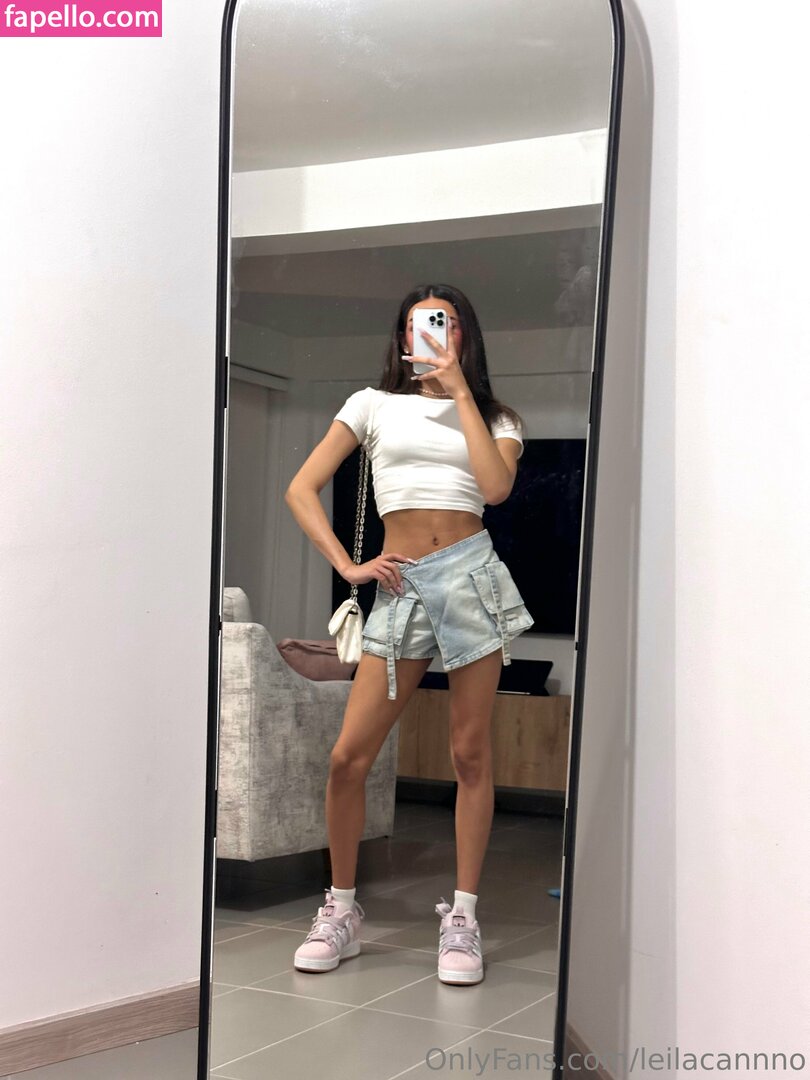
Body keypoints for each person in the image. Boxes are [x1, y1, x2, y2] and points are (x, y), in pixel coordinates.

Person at [283, 283, 534, 986]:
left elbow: (495, 490)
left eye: (445, 324)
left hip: (471, 577)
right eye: (420, 325)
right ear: (402, 336)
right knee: (348, 758)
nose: (432, 335)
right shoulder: (371, 404)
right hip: (398, 585)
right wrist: (348, 566)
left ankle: (463, 918)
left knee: (470, 754)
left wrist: (459, 393)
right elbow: (301, 488)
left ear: (463, 336)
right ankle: (341, 909)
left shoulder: (498, 416)